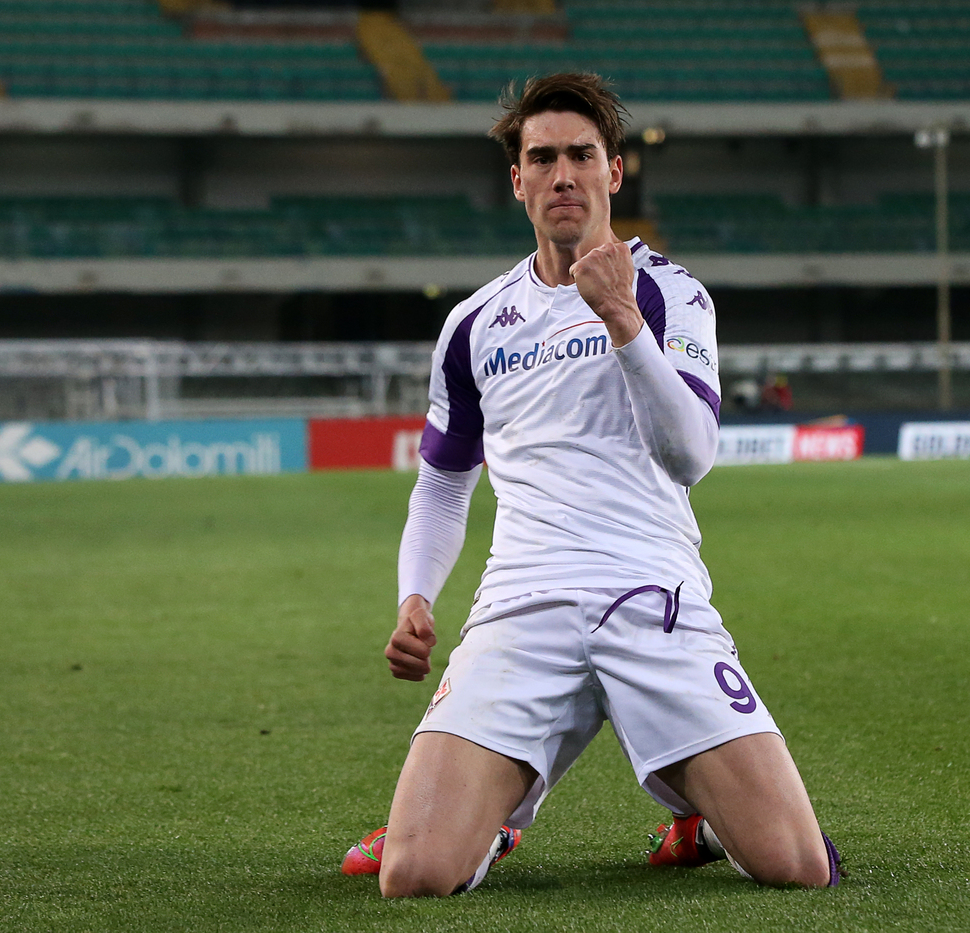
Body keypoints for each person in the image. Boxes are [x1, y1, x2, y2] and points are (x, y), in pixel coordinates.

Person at [342, 73, 842, 897]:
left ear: (615, 172)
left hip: (652, 593)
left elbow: (691, 456)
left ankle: (705, 816)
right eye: (543, 158)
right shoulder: (473, 322)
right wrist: (415, 595)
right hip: (521, 603)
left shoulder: (670, 293)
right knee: (413, 873)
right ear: (518, 180)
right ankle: (487, 819)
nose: (562, 174)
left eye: (582, 154)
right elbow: (441, 482)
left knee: (794, 864)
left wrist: (623, 320)